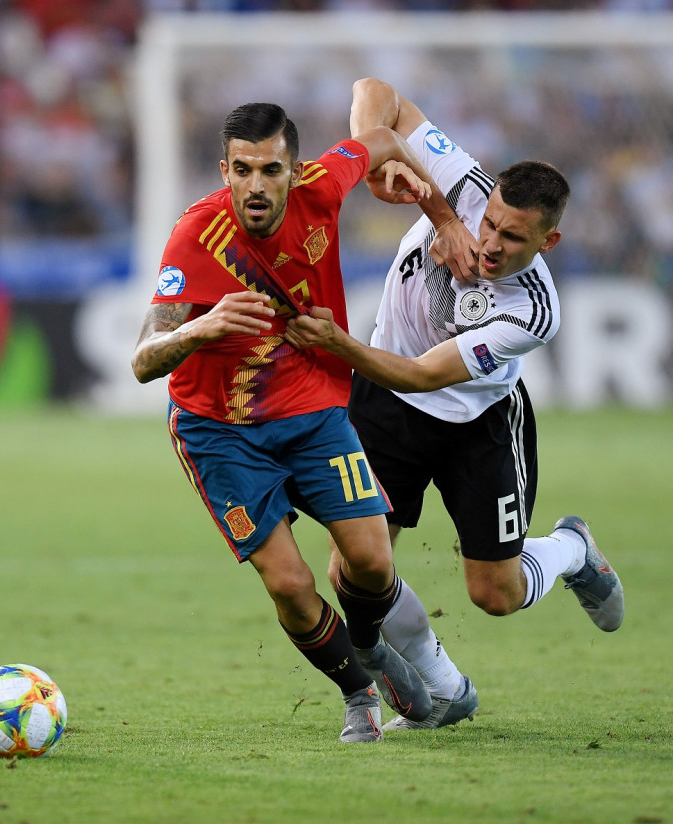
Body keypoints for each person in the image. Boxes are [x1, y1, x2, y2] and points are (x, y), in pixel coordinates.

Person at [285, 78, 625, 732]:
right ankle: (446, 687)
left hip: (475, 421)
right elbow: (374, 94)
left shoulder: (533, 310)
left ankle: (571, 549)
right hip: (385, 406)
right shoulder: (465, 186)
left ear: (546, 244)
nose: (492, 243)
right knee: (356, 566)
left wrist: (334, 342)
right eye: (490, 223)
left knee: (495, 594)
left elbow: (419, 376)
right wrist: (422, 196)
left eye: (513, 239)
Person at [131, 101, 476, 743]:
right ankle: (358, 692)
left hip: (312, 410)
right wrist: (201, 327)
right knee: (290, 583)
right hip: (219, 431)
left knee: (371, 563)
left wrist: (444, 219)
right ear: (224, 169)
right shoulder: (194, 238)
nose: (255, 186)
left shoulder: (326, 184)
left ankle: (372, 648)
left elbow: (384, 138)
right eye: (242, 170)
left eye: (270, 169)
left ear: (294, 169)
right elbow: (143, 361)